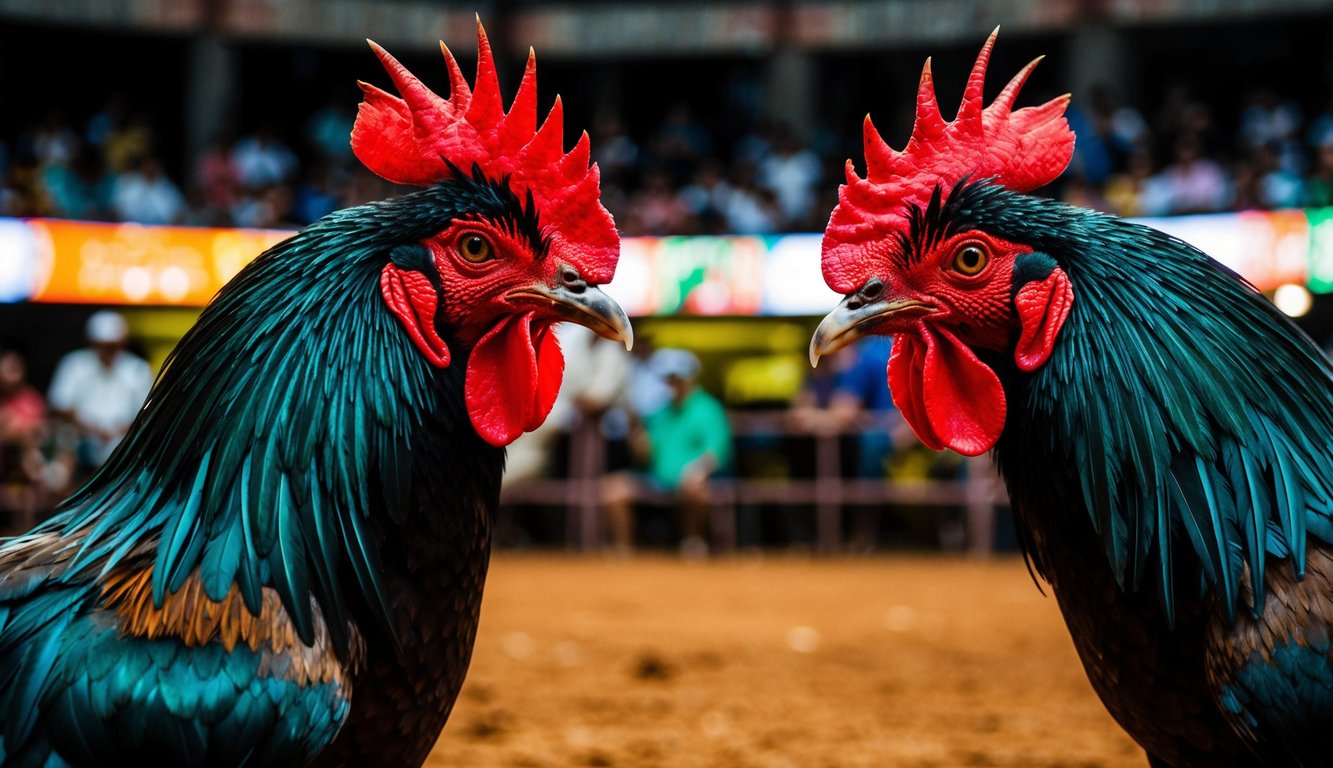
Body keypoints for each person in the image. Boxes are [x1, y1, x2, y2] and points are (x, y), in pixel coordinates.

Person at [602, 348, 732, 557]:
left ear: (688, 378)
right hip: (657, 479)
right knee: (613, 489)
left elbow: (717, 451)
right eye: (667, 379)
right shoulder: (659, 411)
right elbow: (646, 456)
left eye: (675, 378)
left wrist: (697, 470)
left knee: (694, 489)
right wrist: (638, 440)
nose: (670, 384)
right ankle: (622, 548)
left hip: (694, 482)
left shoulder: (708, 408)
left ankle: (694, 543)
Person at [47, 310, 154, 482]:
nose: (108, 351)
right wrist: (93, 430)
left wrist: (117, 432)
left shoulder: (138, 370)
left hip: (123, 441)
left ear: (122, 343)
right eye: (103, 345)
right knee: (60, 463)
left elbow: (145, 412)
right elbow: (61, 406)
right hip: (79, 439)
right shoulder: (74, 364)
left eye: (113, 346)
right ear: (92, 343)